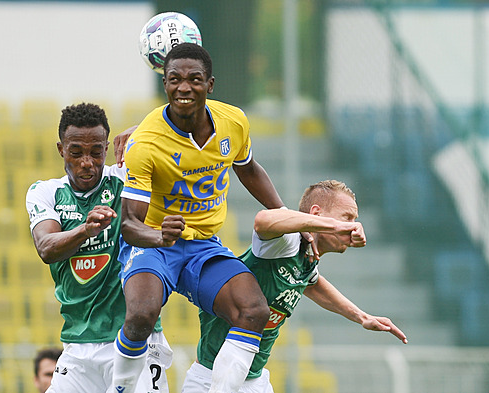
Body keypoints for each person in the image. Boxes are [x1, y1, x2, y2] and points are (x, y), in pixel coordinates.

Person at [113, 42, 286, 393]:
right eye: (174, 79)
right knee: (142, 314)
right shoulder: (145, 142)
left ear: (210, 84)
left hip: (203, 246)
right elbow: (129, 224)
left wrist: (283, 215)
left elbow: (248, 168)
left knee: (253, 310)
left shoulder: (233, 121)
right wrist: (158, 236)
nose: (183, 87)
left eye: (194, 79)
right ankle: (118, 389)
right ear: (165, 85)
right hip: (153, 245)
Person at [181, 180, 408, 393]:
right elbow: (262, 220)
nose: (352, 226)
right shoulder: (288, 241)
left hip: (255, 380)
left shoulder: (307, 260)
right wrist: (332, 225)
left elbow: (313, 283)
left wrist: (361, 316)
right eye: (346, 217)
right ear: (317, 214)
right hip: (210, 379)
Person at [26, 103, 171, 393]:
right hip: (78, 346)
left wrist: (142, 129)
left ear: (107, 148)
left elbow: (178, 137)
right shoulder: (45, 192)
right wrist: (86, 229)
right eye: (76, 152)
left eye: (96, 152)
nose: (87, 162)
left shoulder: (124, 180)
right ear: (61, 149)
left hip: (132, 340)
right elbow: (46, 247)